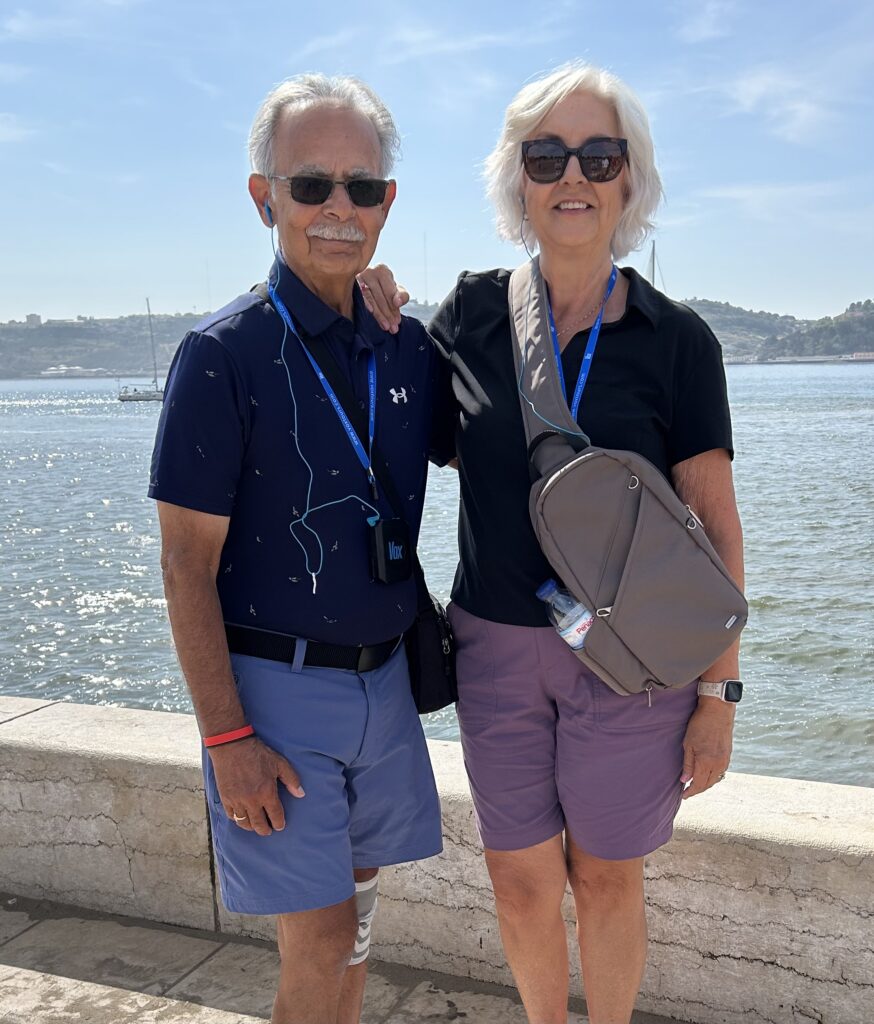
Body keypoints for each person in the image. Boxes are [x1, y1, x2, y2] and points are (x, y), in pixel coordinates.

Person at [359, 61, 745, 1024]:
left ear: (628, 180)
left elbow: (716, 528)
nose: (573, 176)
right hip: (495, 649)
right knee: (520, 882)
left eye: (598, 157)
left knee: (607, 879)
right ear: (518, 179)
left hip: (631, 662)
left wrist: (719, 697)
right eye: (547, 157)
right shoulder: (472, 315)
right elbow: (404, 429)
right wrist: (371, 314)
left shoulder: (677, 341)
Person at [149, 74, 447, 1024]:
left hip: (385, 684)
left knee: (357, 925)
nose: (338, 208)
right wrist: (226, 738)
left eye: (364, 187)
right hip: (275, 694)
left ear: (388, 203)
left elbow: (498, 447)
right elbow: (185, 566)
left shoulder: (407, 347)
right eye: (311, 184)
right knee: (317, 944)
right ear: (263, 196)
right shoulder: (220, 355)